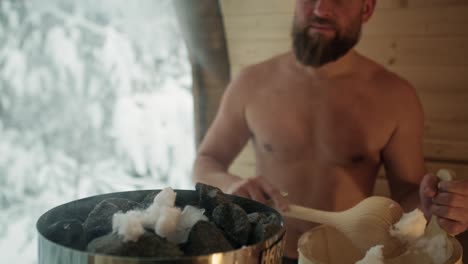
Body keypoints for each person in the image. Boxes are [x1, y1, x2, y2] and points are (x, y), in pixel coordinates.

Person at [192, 0, 468, 262]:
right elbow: (206, 161)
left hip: (349, 258)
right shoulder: (250, 83)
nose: (321, 8)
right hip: (265, 253)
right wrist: (230, 185)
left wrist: (431, 207)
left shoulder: (395, 97)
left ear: (367, 9)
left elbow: (409, 193)